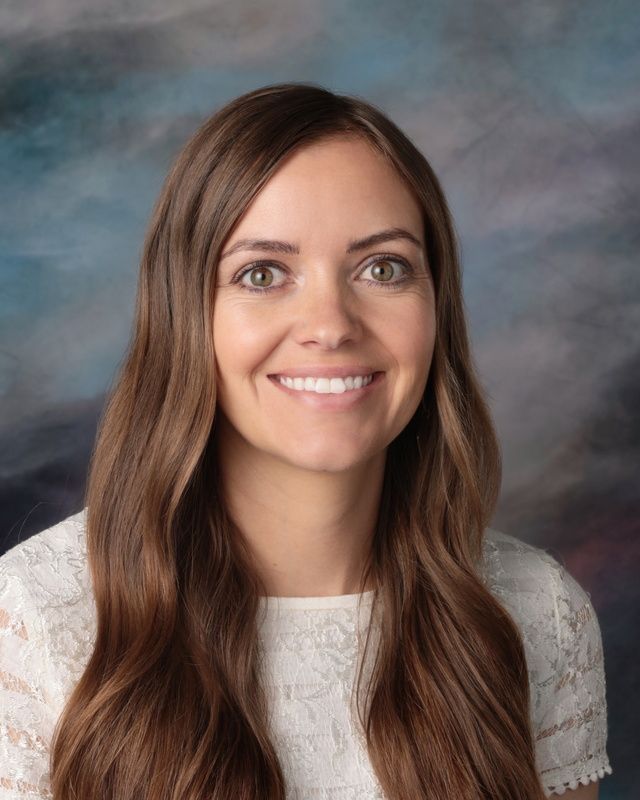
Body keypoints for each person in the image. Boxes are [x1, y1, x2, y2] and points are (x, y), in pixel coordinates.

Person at [0, 82, 612, 799]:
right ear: (184, 316)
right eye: (262, 274)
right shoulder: (36, 617)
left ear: (437, 307)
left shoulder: (538, 613)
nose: (330, 325)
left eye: (383, 268)